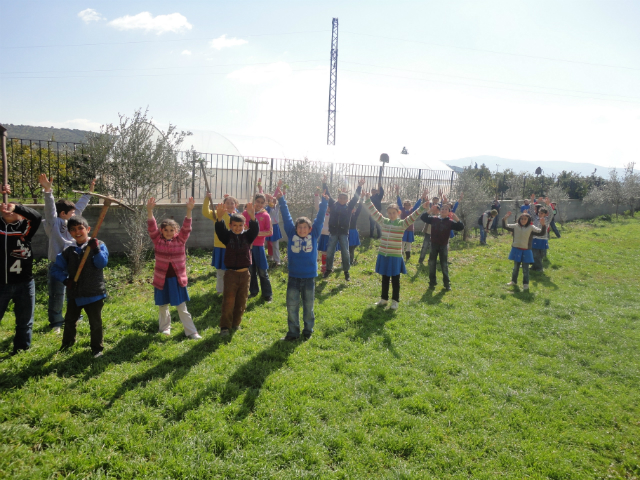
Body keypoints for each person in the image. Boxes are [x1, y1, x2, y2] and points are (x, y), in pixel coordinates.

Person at [38, 173, 95, 334]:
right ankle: (56, 322)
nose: (76, 216)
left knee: (75, 291)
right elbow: (50, 210)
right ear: (63, 214)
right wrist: (48, 192)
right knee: (57, 294)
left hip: (74, 263)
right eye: (72, 214)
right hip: (57, 265)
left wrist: (88, 194)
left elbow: (80, 207)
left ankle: (76, 316)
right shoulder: (53, 223)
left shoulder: (74, 225)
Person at [277, 185, 328, 341]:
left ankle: (308, 330)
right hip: (293, 276)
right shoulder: (291, 232)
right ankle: (293, 332)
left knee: (308, 305)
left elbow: (320, 219)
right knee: (292, 306)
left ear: (310, 229)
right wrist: (281, 199)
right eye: (300, 227)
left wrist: (325, 203)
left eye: (305, 227)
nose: (302, 230)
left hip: (309, 277)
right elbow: (286, 217)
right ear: (296, 228)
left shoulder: (314, 234)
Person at [53, 216, 109, 358]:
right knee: (70, 320)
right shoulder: (69, 250)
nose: (77, 232)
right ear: (70, 233)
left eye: (80, 228)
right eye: (73, 230)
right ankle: (67, 344)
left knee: (95, 322)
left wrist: (95, 249)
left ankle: (97, 348)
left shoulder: (99, 244)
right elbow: (55, 269)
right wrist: (66, 281)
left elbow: (101, 263)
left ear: (88, 229)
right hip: (75, 293)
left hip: (94, 292)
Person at [147, 197, 201, 340]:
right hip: (161, 280)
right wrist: (150, 210)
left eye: (172, 230)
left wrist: (189, 210)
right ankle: (165, 328)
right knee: (163, 306)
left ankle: (191, 331)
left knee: (181, 307)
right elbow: (151, 227)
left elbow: (187, 227)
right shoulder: (157, 240)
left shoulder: (180, 240)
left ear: (176, 231)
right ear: (162, 231)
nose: (169, 232)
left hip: (177, 280)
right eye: (166, 230)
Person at [365, 189, 428, 309]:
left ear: (398, 212)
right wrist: (367, 200)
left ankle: (395, 301)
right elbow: (374, 212)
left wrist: (422, 207)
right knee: (384, 278)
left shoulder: (402, 224)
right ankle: (384, 299)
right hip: (384, 255)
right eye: (389, 213)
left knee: (395, 280)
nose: (391, 215)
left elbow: (413, 216)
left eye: (394, 213)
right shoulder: (384, 222)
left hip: (395, 257)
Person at [0, 184, 42, 354]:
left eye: (13, 209)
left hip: (25, 283)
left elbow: (37, 217)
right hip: (1, 284)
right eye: (6, 207)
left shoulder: (24, 230)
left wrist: (16, 206)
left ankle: (21, 350)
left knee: (25, 320)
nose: (8, 210)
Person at [215, 202, 260, 336]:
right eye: (234, 225)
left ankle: (236, 323)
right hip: (231, 275)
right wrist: (219, 218)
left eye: (240, 226)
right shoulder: (227, 237)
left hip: (245, 274)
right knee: (228, 301)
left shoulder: (248, 236)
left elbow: (255, 230)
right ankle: (225, 327)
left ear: (244, 226)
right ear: (230, 226)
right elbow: (220, 230)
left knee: (241, 301)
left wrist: (252, 217)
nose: (237, 228)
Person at [323, 178, 365, 281]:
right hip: (333, 232)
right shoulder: (333, 205)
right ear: (338, 198)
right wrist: (324, 182)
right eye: (340, 198)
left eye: (344, 198)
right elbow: (327, 193)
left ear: (347, 200)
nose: (342, 200)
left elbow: (355, 198)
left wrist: (359, 186)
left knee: (345, 252)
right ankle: (328, 269)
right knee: (330, 251)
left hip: (343, 233)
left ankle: (346, 272)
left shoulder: (349, 206)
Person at [420, 203, 465, 291]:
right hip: (433, 245)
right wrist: (430, 210)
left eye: (446, 209)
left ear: (449, 212)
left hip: (443, 246)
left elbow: (460, 227)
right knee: (432, 264)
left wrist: (457, 219)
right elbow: (423, 217)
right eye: (442, 209)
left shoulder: (450, 222)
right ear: (440, 211)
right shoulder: (434, 219)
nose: (443, 210)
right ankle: (432, 282)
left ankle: (446, 283)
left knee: (444, 264)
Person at [202, 193, 238, 294]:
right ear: (224, 204)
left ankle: (231, 290)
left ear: (236, 205)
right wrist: (207, 199)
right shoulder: (218, 214)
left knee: (232, 272)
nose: (230, 205)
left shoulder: (238, 216)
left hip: (233, 247)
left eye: (232, 203)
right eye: (228, 203)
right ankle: (220, 290)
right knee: (221, 272)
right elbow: (205, 212)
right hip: (220, 247)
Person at [502, 211, 546, 290]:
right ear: (519, 219)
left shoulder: (531, 227)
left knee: (525, 269)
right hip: (516, 250)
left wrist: (543, 225)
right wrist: (505, 219)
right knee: (515, 268)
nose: (523, 220)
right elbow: (505, 226)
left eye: (525, 219)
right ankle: (513, 281)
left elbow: (541, 233)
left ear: (528, 220)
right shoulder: (515, 226)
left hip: (526, 251)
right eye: (522, 219)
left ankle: (525, 284)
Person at [243, 193, 273, 301]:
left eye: (262, 202)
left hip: (259, 247)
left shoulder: (265, 215)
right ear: (253, 201)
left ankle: (267, 294)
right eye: (257, 201)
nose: (259, 204)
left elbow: (269, 232)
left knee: (262, 271)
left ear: (264, 204)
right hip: (248, 247)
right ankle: (253, 291)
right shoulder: (246, 213)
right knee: (250, 271)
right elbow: (241, 227)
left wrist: (254, 233)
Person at [395, 185, 422, 262]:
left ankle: (408, 257)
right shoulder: (402, 209)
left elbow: (417, 205)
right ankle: (400, 256)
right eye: (405, 205)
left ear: (411, 205)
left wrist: (422, 197)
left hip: (410, 229)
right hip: (403, 229)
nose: (407, 206)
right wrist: (397, 192)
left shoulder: (412, 210)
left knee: (409, 243)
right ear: (404, 205)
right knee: (402, 242)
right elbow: (399, 202)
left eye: (408, 205)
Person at [315, 185, 332, 273]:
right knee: (322, 251)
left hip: (329, 235)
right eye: (327, 206)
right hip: (322, 235)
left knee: (328, 252)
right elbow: (317, 206)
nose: (328, 208)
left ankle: (328, 266)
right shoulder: (322, 213)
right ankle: (323, 267)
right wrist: (317, 196)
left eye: (329, 206)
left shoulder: (333, 214)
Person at [418, 195, 440, 265]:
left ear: (439, 210)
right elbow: (427, 210)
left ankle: (431, 260)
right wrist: (426, 201)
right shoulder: (429, 215)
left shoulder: (440, 217)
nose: (435, 210)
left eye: (436, 209)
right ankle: (421, 260)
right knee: (424, 247)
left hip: (436, 235)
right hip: (428, 234)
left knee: (433, 249)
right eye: (434, 209)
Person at [530, 204, 550, 271]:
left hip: (542, 239)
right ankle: (535, 266)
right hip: (535, 238)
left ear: (545, 214)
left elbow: (551, 214)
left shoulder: (547, 220)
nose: (539, 214)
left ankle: (539, 267)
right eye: (539, 213)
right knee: (534, 254)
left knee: (541, 255)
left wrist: (549, 204)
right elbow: (532, 212)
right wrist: (532, 202)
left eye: (541, 213)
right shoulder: (536, 218)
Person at [347, 199, 363, 265]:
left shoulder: (355, 215)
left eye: (353, 208)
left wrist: (361, 197)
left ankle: (350, 261)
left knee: (352, 248)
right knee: (347, 248)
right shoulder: (346, 214)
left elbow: (359, 208)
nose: (352, 209)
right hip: (347, 232)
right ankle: (347, 260)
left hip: (353, 233)